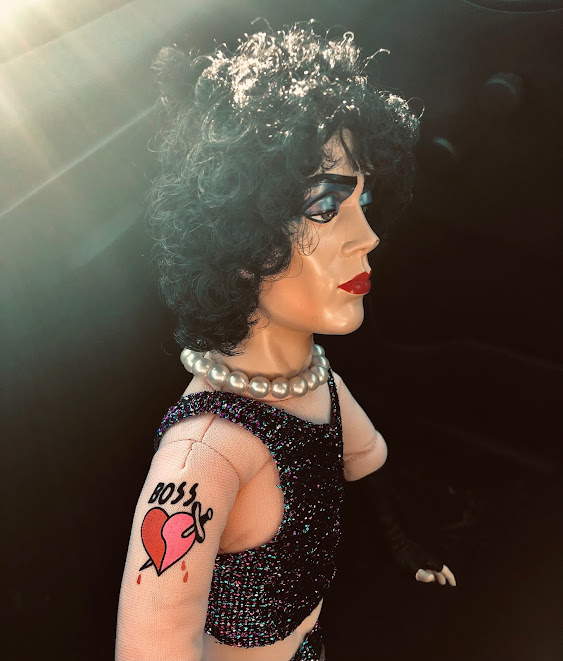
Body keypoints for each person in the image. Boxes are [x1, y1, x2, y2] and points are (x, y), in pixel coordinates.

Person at [115, 21, 455, 661]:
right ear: (237, 236)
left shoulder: (319, 380)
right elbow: (152, 640)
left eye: (363, 202)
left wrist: (402, 545)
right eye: (324, 207)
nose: (368, 237)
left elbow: (366, 459)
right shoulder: (204, 457)